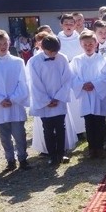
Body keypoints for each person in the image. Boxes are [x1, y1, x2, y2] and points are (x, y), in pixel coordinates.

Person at [0, 29, 32, 171]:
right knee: (4, 136)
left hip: (15, 104)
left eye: (5, 43)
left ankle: (23, 158)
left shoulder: (18, 62)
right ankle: (10, 160)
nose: (3, 46)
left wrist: (13, 98)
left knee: (19, 134)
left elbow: (23, 82)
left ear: (9, 43)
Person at [28, 34, 73, 166]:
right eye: (51, 51)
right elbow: (35, 83)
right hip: (44, 102)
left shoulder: (62, 58)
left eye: (56, 51)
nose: (54, 54)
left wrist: (58, 97)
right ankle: (52, 155)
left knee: (60, 127)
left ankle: (61, 153)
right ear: (42, 48)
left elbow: (67, 78)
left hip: (59, 100)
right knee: (47, 129)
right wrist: (47, 100)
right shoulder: (34, 61)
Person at [70, 31, 106, 159]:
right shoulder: (77, 60)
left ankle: (100, 147)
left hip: (98, 95)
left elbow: (105, 76)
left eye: (91, 44)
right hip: (85, 95)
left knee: (99, 121)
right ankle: (91, 147)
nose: (88, 46)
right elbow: (72, 76)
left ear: (96, 44)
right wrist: (82, 84)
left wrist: (94, 84)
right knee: (89, 121)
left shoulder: (102, 59)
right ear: (81, 45)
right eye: (85, 44)